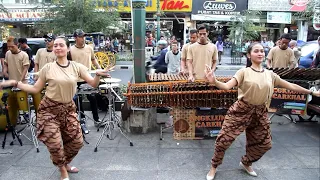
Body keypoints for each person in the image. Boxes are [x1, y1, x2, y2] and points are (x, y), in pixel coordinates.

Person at [204, 42, 320, 180]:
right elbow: (227, 86)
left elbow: (290, 86)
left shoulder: (270, 74)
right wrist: (215, 81)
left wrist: (311, 93)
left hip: (260, 111)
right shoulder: (243, 72)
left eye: (262, 51)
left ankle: (246, 162)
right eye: (256, 51)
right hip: (241, 109)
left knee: (265, 143)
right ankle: (214, 167)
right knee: (223, 140)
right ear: (249, 55)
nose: (260, 53)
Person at [0, 37, 111, 180]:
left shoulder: (76, 67)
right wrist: (16, 83)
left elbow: (93, 84)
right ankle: (62, 170)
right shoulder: (48, 68)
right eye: (56, 46)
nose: (58, 47)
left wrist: (97, 75)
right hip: (49, 110)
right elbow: (35, 89)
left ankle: (66, 163)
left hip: (68, 109)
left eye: (61, 45)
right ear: (54, 49)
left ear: (67, 48)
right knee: (55, 143)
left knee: (77, 142)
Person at [69, 29, 103, 131]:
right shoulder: (70, 50)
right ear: (75, 38)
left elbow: (93, 59)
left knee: (92, 98)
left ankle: (96, 120)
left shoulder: (89, 48)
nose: (83, 39)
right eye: (80, 37)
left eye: (84, 36)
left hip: (87, 78)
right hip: (75, 79)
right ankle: (82, 120)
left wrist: (98, 67)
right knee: (77, 101)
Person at [3, 36, 41, 118]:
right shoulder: (7, 53)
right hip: (12, 81)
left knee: (23, 99)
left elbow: (25, 68)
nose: (9, 48)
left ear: (17, 45)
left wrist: (20, 80)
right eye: (8, 46)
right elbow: (6, 64)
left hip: (23, 82)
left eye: (12, 46)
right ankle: (16, 117)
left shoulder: (24, 55)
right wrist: (5, 71)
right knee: (12, 101)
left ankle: (26, 113)